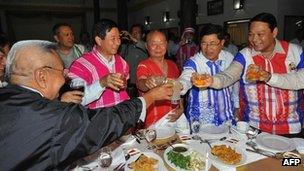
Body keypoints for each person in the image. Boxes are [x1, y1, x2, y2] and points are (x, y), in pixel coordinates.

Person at [0, 40, 174, 170]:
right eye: (62, 71)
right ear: (42, 76)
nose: (66, 77)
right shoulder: (51, 117)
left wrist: (58, 104)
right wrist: (150, 97)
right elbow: (103, 123)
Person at [201, 13, 304, 136]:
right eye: (251, 34)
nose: (254, 39)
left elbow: (301, 79)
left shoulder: (295, 51)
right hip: (254, 128)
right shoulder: (245, 55)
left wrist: (269, 77)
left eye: (260, 34)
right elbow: (229, 75)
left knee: (291, 156)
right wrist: (212, 81)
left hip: (291, 128)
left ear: (274, 32)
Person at [179, 24, 239, 127]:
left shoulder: (229, 58)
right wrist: (179, 86)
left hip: (226, 117)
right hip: (201, 121)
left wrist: (237, 106)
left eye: (212, 43)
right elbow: (185, 78)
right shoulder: (194, 62)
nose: (208, 48)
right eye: (204, 44)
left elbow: (235, 82)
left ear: (222, 43)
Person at [69, 19, 130, 109]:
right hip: (98, 119)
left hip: (123, 115)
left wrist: (124, 83)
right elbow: (78, 99)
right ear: (99, 40)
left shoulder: (121, 61)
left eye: (119, 38)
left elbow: (125, 83)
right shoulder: (81, 65)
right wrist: (102, 83)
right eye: (113, 39)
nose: (118, 43)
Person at [136, 30, 183, 127]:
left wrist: (181, 108)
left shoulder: (173, 65)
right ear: (146, 46)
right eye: (153, 44)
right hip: (153, 122)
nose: (158, 47)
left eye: (161, 43)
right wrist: (147, 82)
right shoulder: (144, 65)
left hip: (174, 118)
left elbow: (178, 89)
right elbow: (141, 84)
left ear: (166, 44)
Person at [119, 24, 148, 97]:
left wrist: (131, 37)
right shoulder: (126, 47)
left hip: (142, 85)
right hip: (129, 85)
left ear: (143, 35)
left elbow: (140, 44)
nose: (134, 34)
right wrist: (117, 37)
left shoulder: (146, 46)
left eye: (137, 32)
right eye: (132, 33)